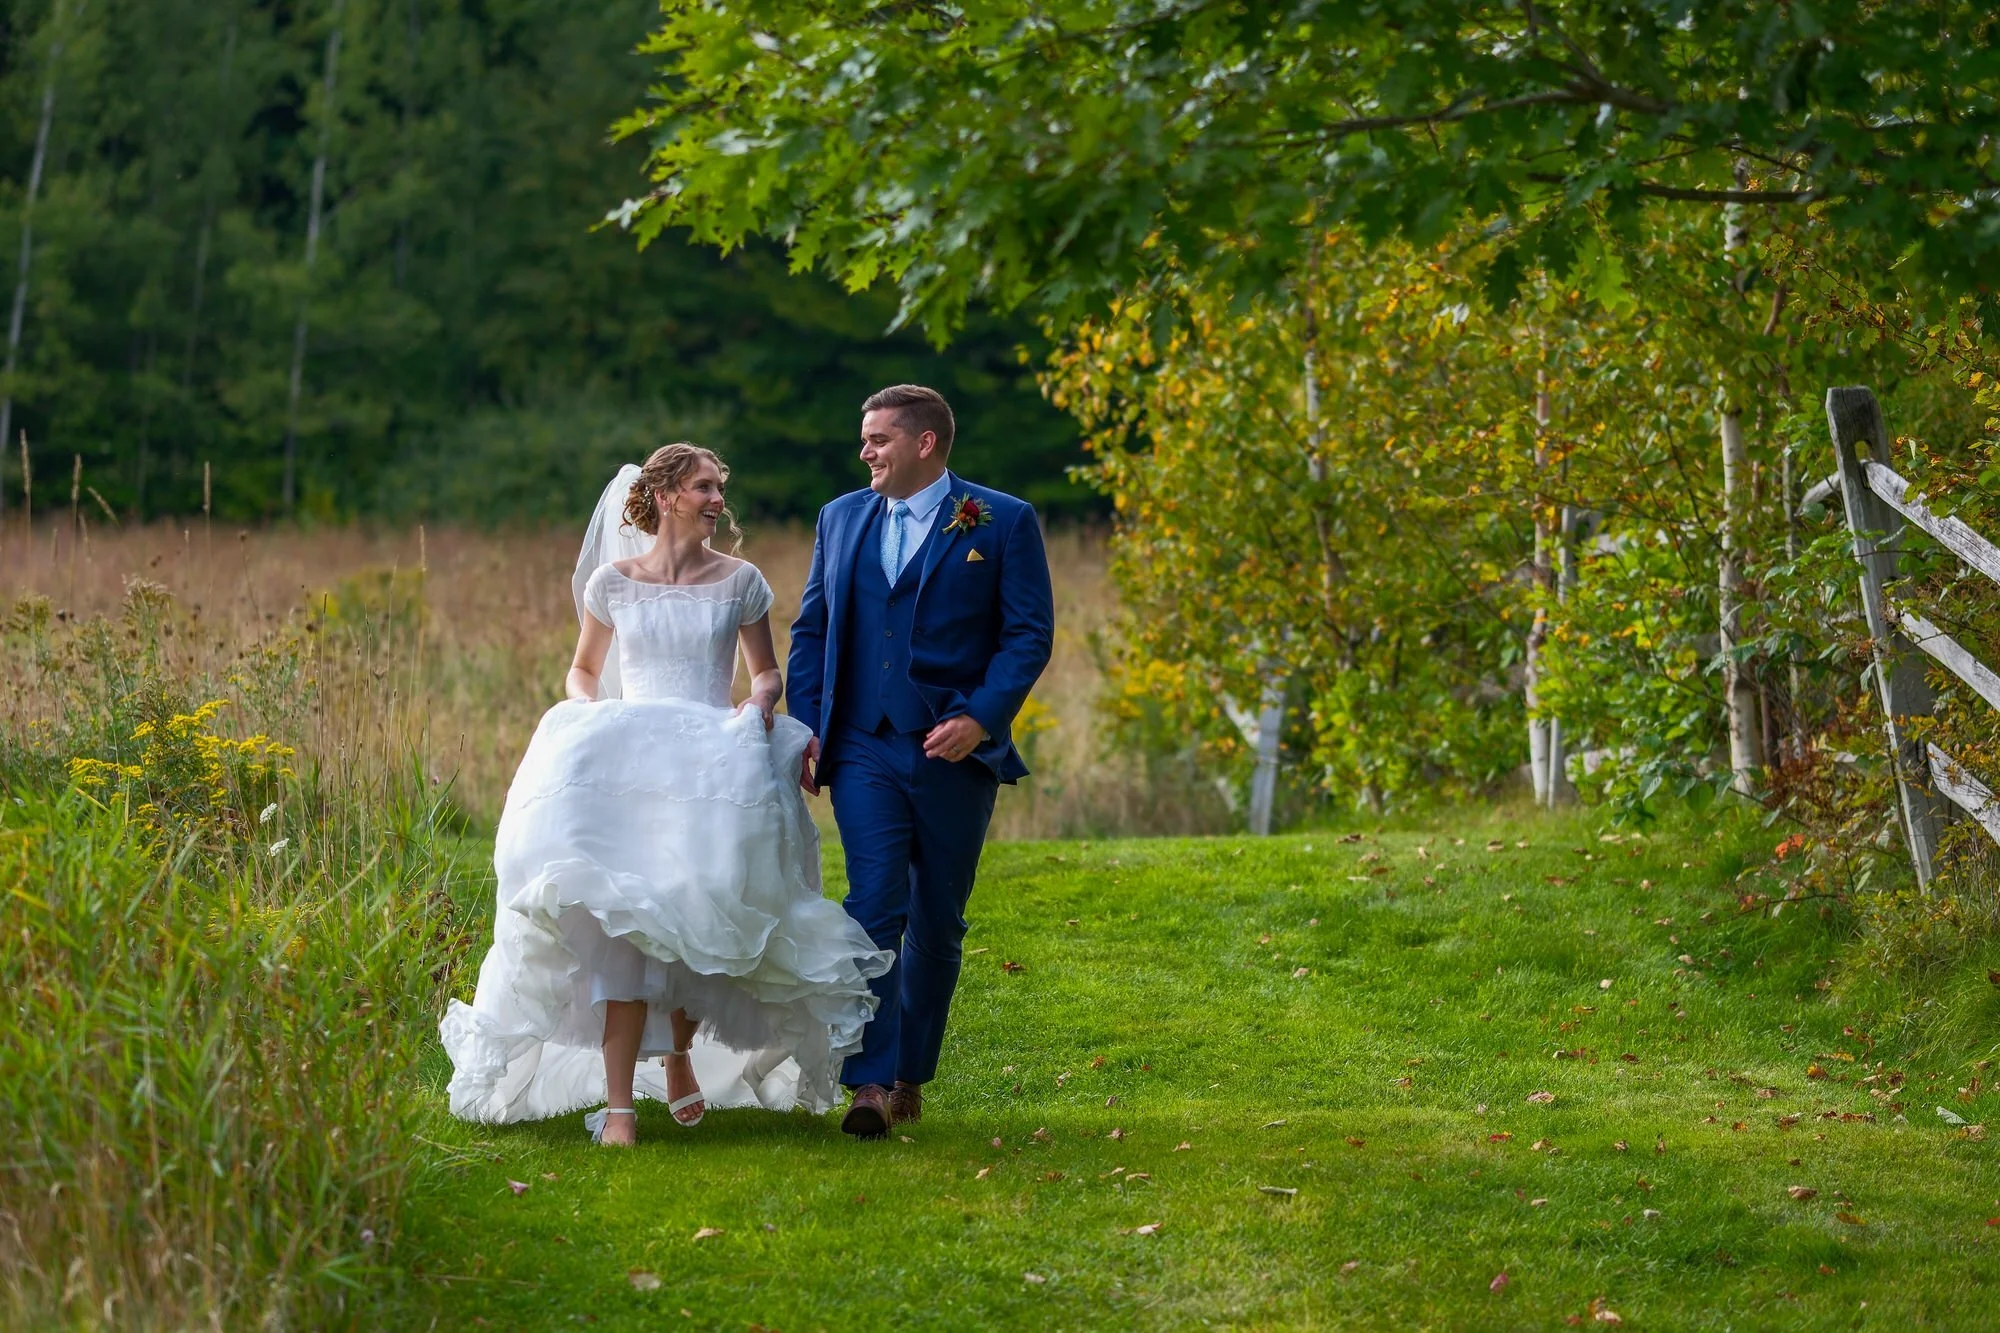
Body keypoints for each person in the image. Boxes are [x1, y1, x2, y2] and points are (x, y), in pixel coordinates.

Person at [439, 444, 893, 1146]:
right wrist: (588, 713)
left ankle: (678, 1055)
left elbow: (765, 673)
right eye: (705, 487)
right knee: (623, 925)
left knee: (693, 916)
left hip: (710, 757)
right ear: (668, 495)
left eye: (719, 487)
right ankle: (619, 1109)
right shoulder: (612, 584)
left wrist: (757, 708)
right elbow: (583, 671)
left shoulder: (741, 581)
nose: (718, 498)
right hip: (632, 758)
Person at [787, 384, 1055, 1137]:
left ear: (925, 443)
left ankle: (911, 1070)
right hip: (863, 743)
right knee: (872, 905)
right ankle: (867, 1081)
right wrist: (805, 726)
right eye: (865, 438)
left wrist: (979, 716)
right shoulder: (839, 518)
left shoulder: (1001, 520)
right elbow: (812, 629)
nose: (865, 451)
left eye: (878, 438)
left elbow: (1027, 635)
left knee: (937, 922)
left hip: (953, 752)